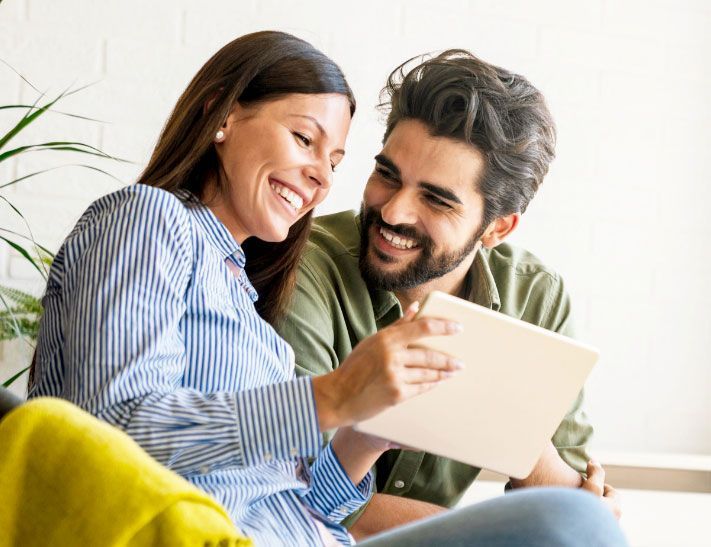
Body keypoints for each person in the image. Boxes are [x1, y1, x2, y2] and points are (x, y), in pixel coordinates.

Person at [29, 32, 626, 546]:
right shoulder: (147, 219)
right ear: (222, 115)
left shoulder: (241, 292)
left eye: (336, 159)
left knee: (574, 522)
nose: (322, 176)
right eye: (303, 139)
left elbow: (305, 501)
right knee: (565, 524)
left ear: (498, 227)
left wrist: (368, 431)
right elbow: (111, 432)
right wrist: (334, 395)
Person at [277, 49, 622, 539]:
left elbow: (566, 502)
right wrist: (484, 532)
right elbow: (296, 490)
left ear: (497, 228)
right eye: (387, 175)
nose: (393, 211)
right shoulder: (305, 265)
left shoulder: (537, 298)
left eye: (436, 199)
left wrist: (508, 412)